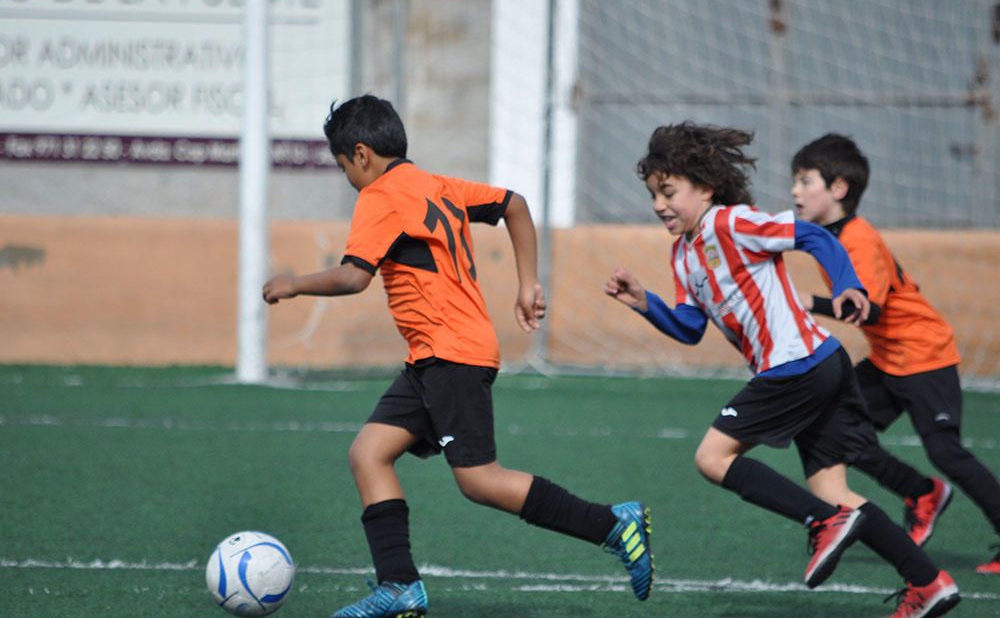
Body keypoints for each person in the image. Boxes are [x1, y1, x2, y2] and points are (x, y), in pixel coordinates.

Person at [263, 95, 653, 618]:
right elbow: (514, 204)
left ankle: (612, 524)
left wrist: (293, 283)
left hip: (451, 354)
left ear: (360, 155)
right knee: (369, 453)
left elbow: (355, 276)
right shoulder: (438, 186)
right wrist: (528, 282)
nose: (349, 180)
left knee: (479, 480)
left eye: (343, 169)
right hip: (435, 356)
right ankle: (399, 585)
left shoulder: (380, 196)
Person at [604, 122, 960, 617]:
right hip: (820, 364)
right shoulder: (682, 254)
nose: (659, 204)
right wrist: (646, 303)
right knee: (833, 490)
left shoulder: (733, 222)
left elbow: (812, 234)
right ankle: (928, 581)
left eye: (669, 191)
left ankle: (820, 522)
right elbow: (689, 326)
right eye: (653, 195)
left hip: (795, 365)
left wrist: (846, 284)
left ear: (704, 188)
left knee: (712, 458)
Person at [791, 133, 1000, 575]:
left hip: (925, 355)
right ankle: (921, 492)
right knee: (836, 429)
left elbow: (869, 308)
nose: (795, 190)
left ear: (839, 189)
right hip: (888, 360)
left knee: (946, 452)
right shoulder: (826, 236)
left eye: (805, 180)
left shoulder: (859, 239)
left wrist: (806, 302)